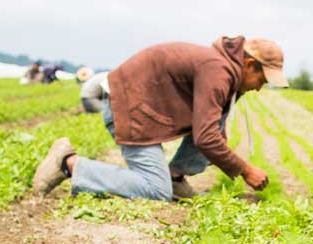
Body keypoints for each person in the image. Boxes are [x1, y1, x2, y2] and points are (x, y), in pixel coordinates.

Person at [33, 36, 288, 200]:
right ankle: (70, 164)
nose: (258, 87)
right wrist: (245, 170)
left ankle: (175, 177)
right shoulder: (218, 71)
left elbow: (212, 131)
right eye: (261, 80)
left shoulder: (224, 71)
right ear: (249, 65)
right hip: (130, 109)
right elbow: (205, 137)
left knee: (215, 130)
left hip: (143, 108)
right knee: (155, 189)